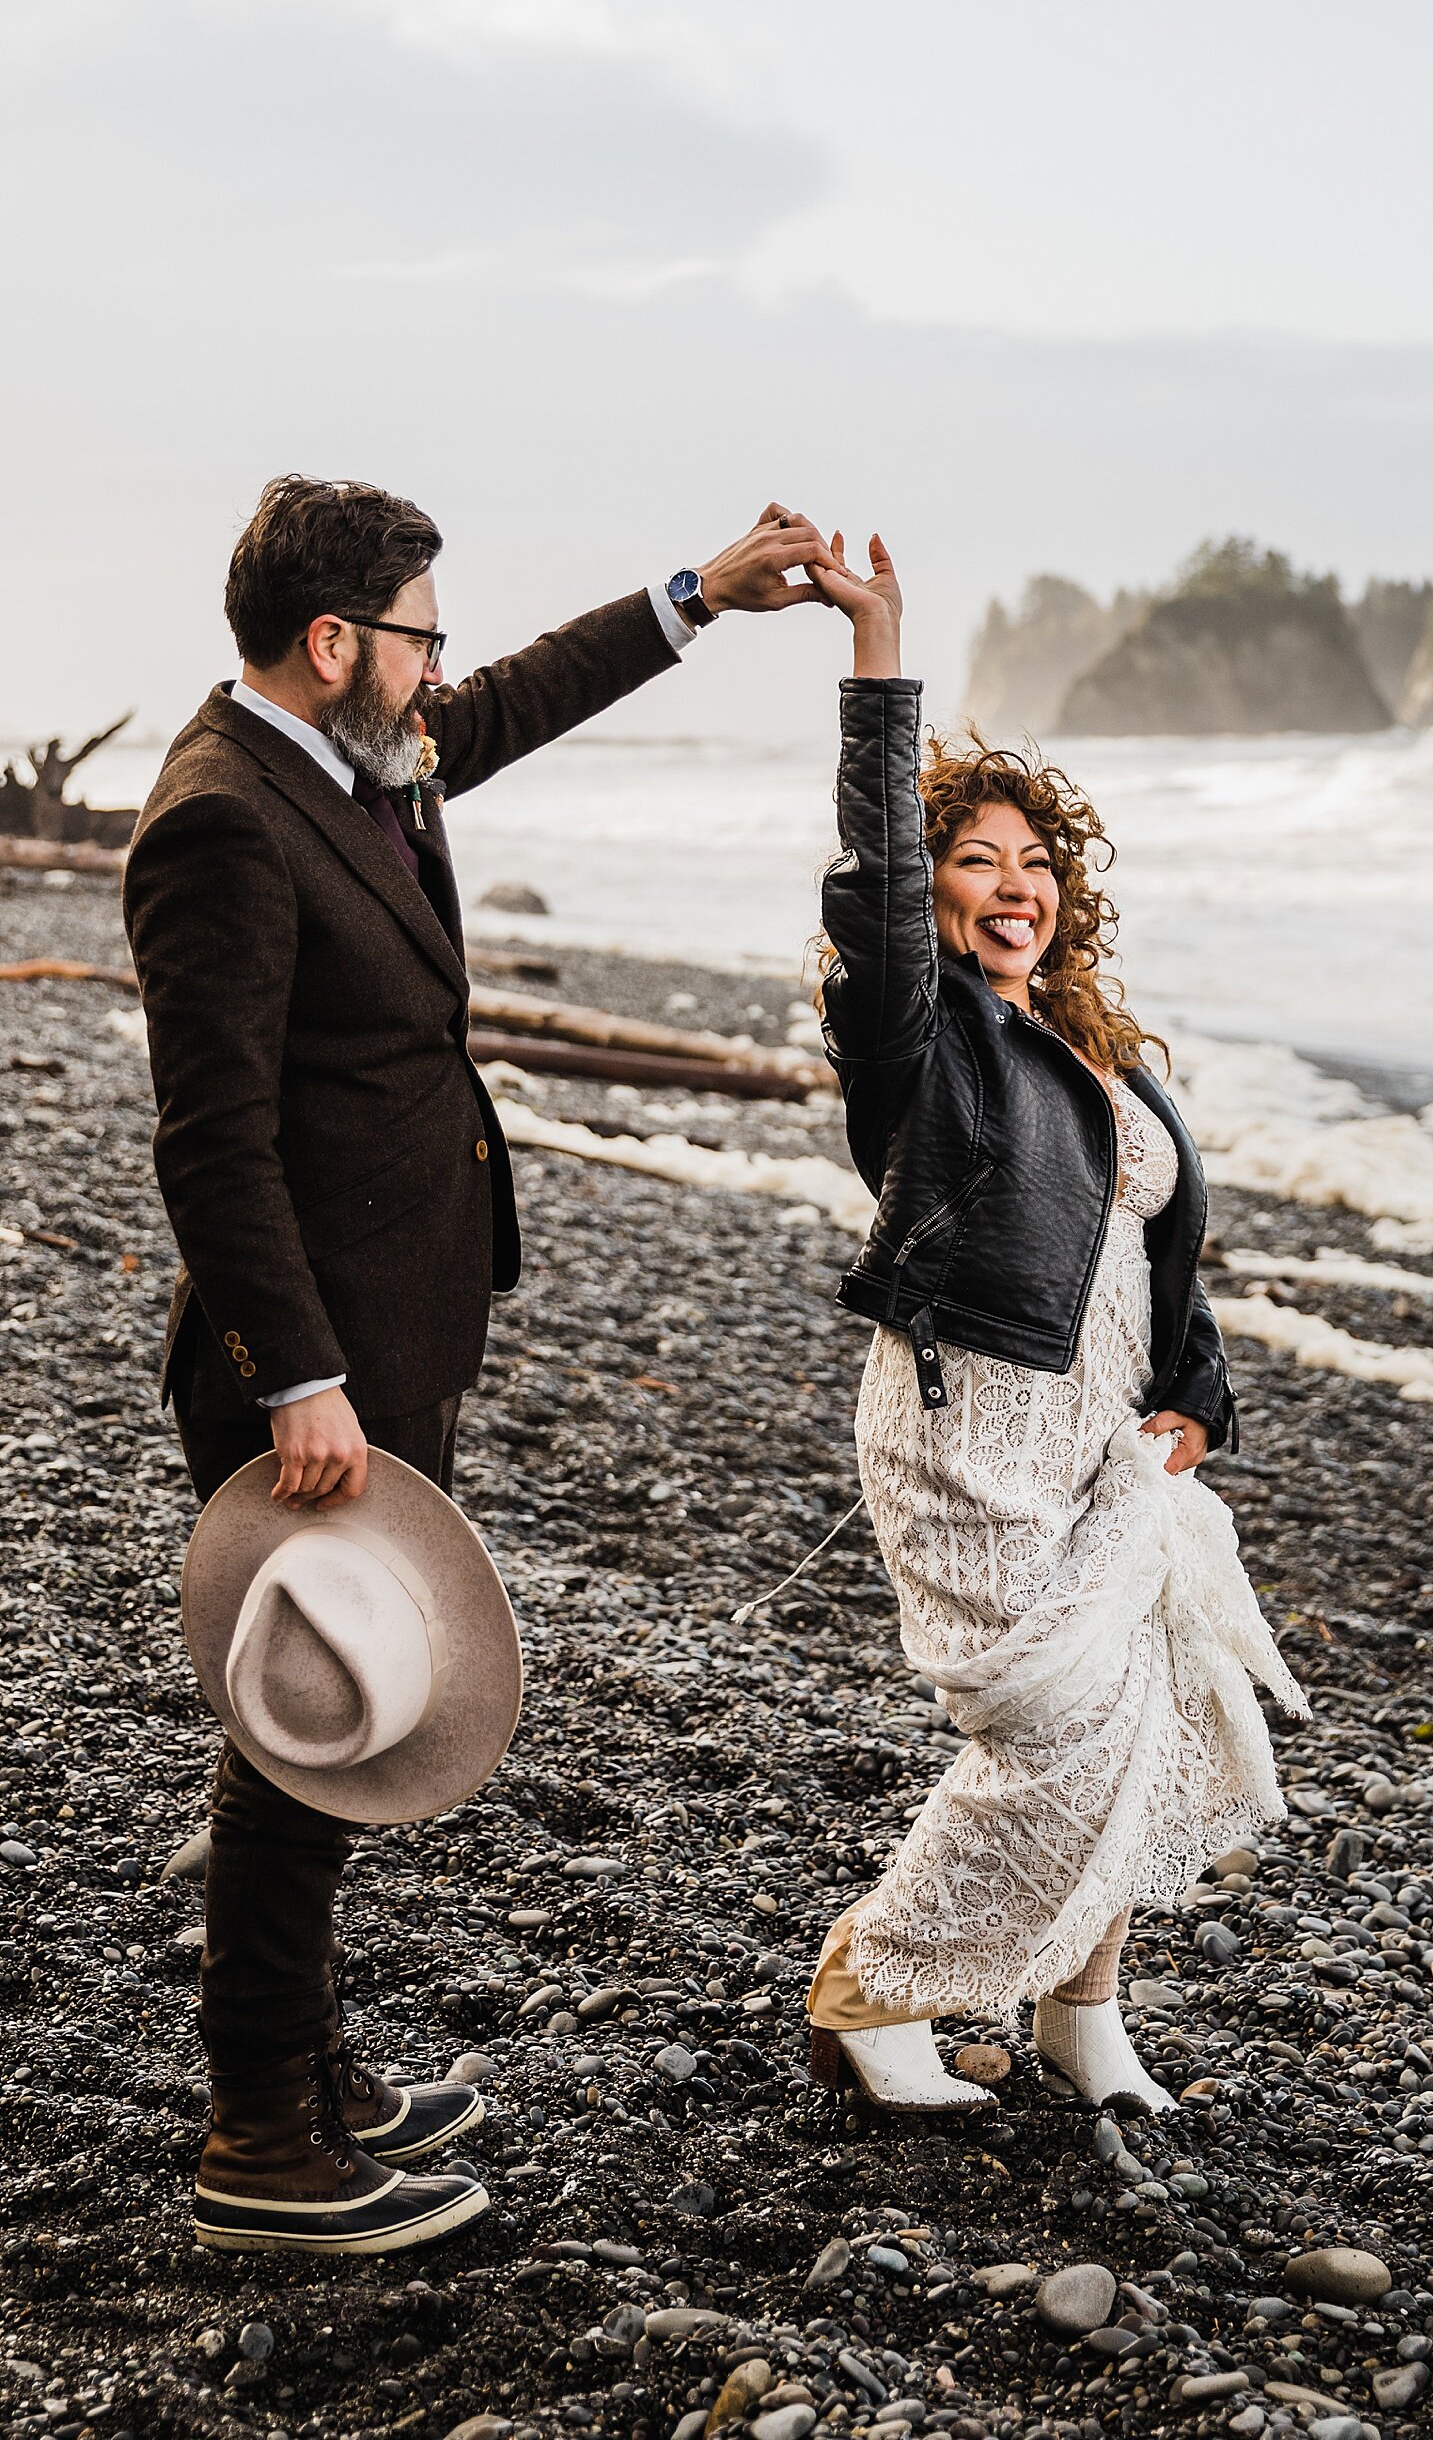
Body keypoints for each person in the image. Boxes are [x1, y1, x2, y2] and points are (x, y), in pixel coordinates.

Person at [126, 474, 832, 2249]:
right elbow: (209, 1145)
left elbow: (507, 702)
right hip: (313, 1362)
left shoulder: (355, 761)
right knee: (304, 1730)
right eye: (422, 633)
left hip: (383, 1327)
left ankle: (305, 2065)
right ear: (333, 639)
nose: (443, 668)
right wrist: (296, 1378)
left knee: (329, 1700)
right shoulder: (222, 822)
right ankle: (260, 2145)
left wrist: (699, 594)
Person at [801, 531, 1309, 2114]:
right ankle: (872, 1984)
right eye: (977, 862)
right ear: (930, 890)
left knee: (1151, 1709)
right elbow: (880, 894)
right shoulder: (915, 1039)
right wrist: (882, 652)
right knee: (1057, 1720)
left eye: (1036, 866)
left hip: (1107, 1430)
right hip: (973, 1424)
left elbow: (1168, 1244)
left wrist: (1196, 1394)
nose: (1012, 887)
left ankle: (1085, 2016)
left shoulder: (1094, 1051)